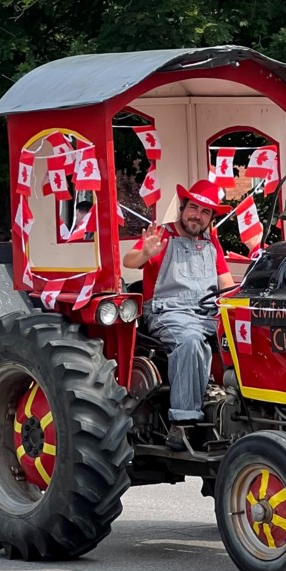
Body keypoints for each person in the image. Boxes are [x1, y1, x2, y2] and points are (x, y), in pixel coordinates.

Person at [122, 179, 234, 450]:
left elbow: (227, 285)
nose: (198, 215)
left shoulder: (211, 244)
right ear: (183, 208)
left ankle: (235, 407)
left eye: (206, 212)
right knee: (190, 340)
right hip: (167, 310)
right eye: (194, 208)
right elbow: (129, 261)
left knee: (241, 338)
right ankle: (182, 423)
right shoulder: (161, 235)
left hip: (206, 312)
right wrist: (145, 253)